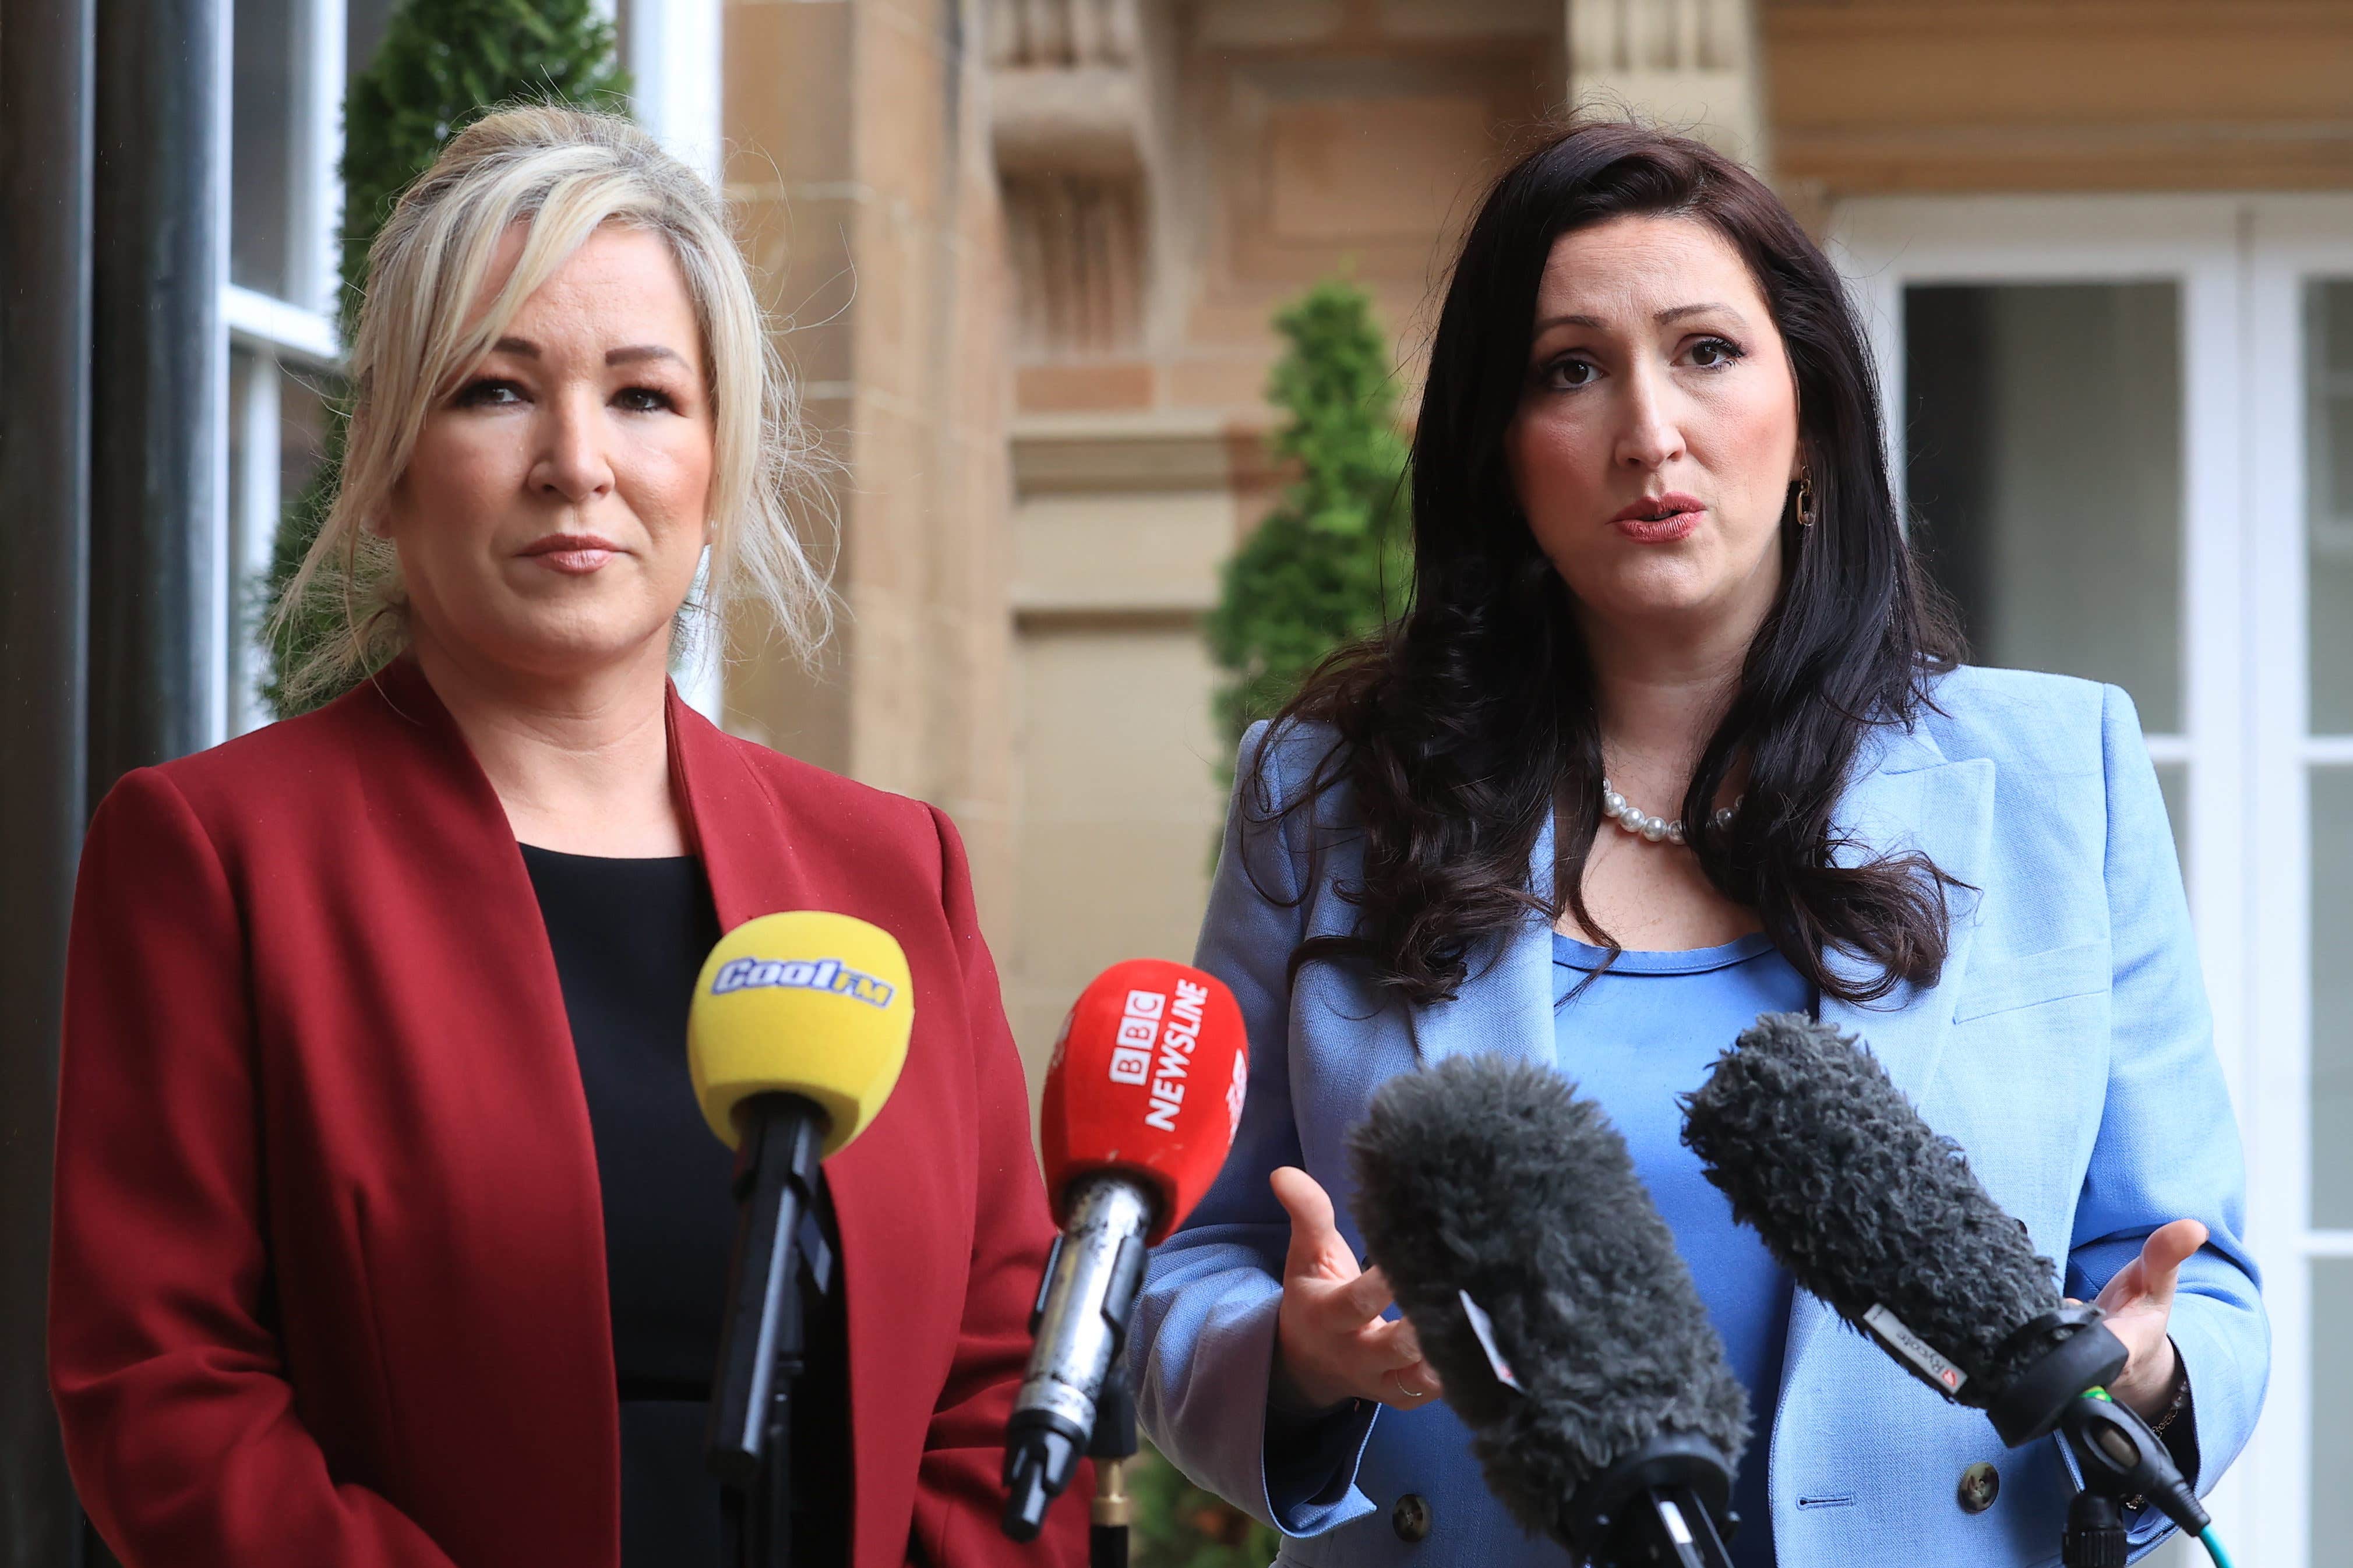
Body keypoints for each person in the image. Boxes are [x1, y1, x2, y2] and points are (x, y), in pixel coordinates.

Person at [1129, 121, 2267, 1567]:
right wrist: (1293, 1355)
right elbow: (1178, 1271)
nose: (1647, 430)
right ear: (1502, 456)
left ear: (1813, 422)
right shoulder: (1331, 798)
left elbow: (2201, 1288)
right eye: (1570, 368)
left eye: (1706, 352)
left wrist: (2148, 1372)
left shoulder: (2057, 773)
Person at [50, 105, 1080, 1568]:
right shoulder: (218, 857)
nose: (577, 461)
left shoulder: (892, 869)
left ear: (716, 468)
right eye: (494, 390)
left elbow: (999, 1384)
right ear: (394, 469)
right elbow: (165, 1396)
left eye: (646, 396)